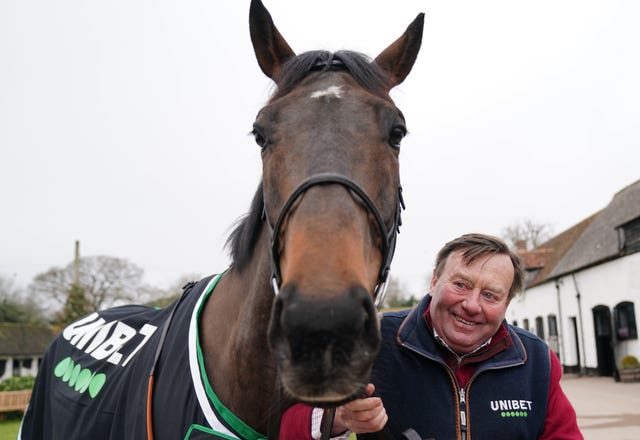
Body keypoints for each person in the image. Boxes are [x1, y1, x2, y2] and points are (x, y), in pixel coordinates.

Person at [279, 233, 583, 439]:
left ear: (506, 304)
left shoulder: (537, 362)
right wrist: (339, 417)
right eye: (461, 285)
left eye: (490, 295)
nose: (472, 305)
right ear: (434, 281)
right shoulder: (370, 341)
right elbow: (283, 425)